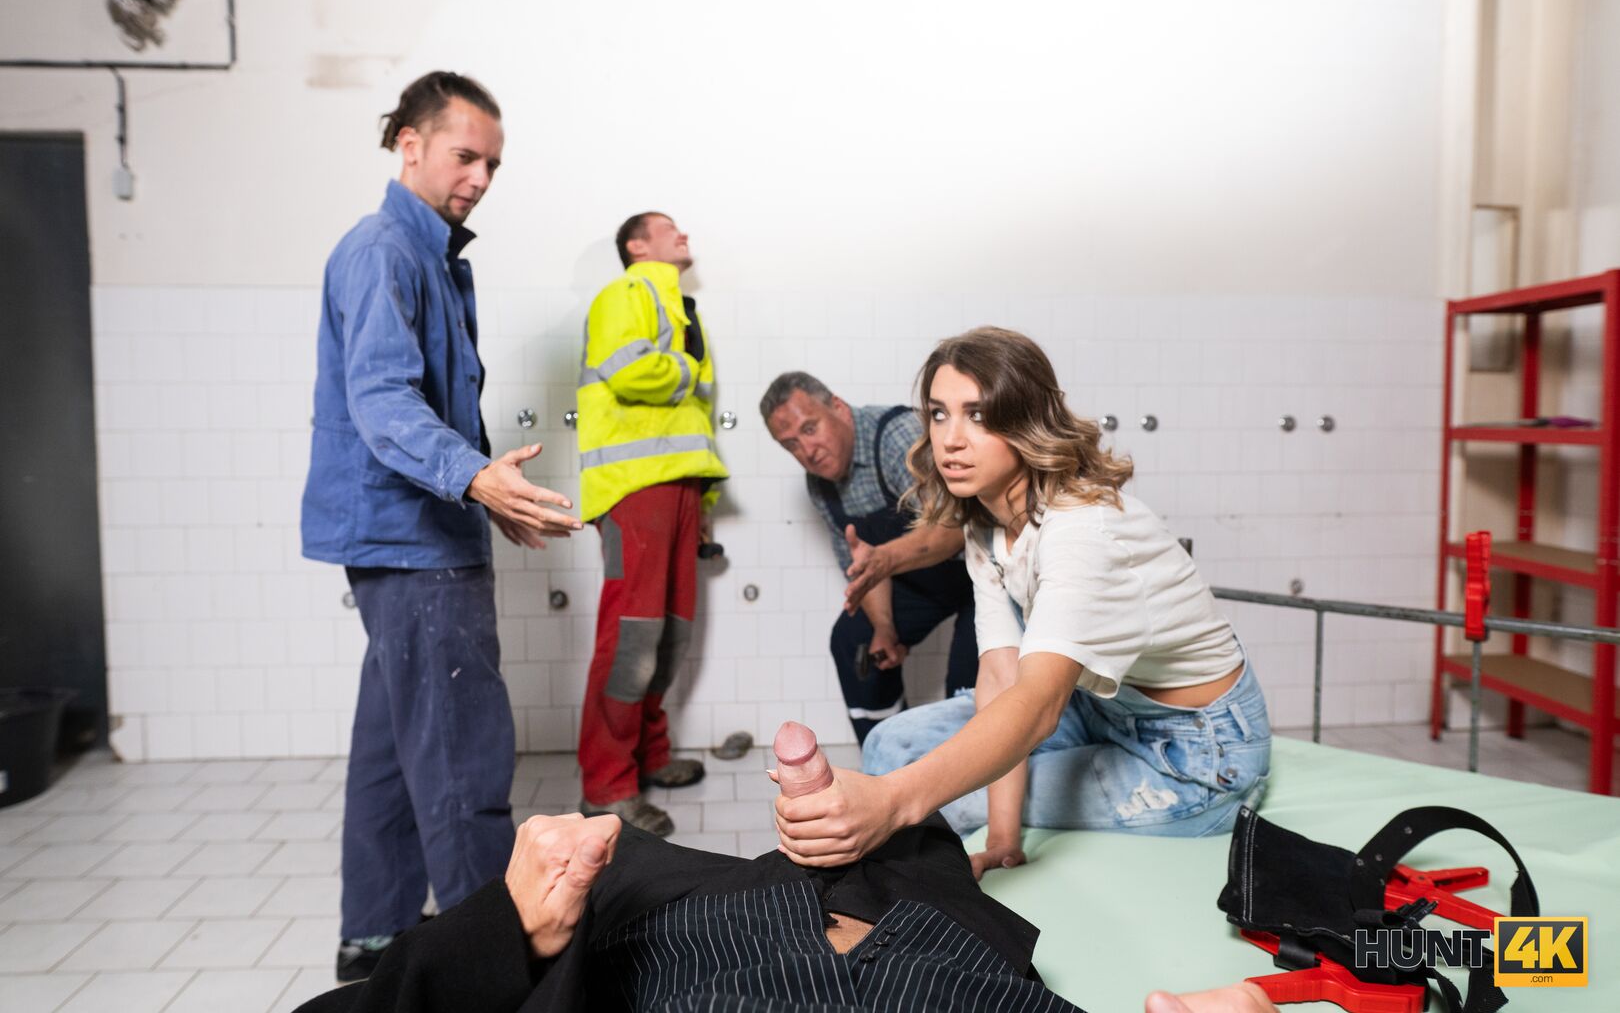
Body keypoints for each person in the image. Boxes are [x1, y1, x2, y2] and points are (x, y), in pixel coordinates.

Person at [774, 327, 1271, 879]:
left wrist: (892, 803)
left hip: (1195, 754)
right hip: (1101, 709)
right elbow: (1001, 678)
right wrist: (1003, 841)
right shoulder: (987, 523)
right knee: (892, 743)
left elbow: (1035, 707)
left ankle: (906, 914)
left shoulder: (1083, 532)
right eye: (939, 414)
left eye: (978, 415)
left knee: (937, 803)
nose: (950, 440)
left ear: (1028, 420)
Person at [301, 71, 583, 982]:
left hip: (411, 534)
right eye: (466, 156)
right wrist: (475, 479)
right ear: (409, 144)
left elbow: (438, 406)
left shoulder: (431, 255)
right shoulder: (386, 251)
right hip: (412, 542)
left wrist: (486, 491)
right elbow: (383, 399)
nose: (481, 178)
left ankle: (376, 937)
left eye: (493, 164)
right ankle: (487, 961)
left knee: (392, 746)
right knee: (463, 753)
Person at [295, 811, 1282, 1012]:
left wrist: (511, 931)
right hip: (912, 949)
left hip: (667, 935)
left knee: (900, 833)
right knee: (906, 839)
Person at [574, 212, 729, 836]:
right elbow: (630, 370)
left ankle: (648, 757)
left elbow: (696, 417)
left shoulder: (682, 311)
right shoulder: (626, 293)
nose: (682, 233)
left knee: (669, 636)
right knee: (631, 639)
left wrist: (705, 504)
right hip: (634, 487)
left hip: (681, 485)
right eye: (668, 228)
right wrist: (688, 371)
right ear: (637, 246)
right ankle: (607, 787)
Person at [761, 372, 978, 742]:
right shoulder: (821, 486)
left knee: (967, 688)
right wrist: (885, 629)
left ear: (839, 408)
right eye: (791, 444)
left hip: (981, 572)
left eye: (810, 429)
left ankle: (966, 771)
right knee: (855, 640)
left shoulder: (897, 437)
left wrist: (885, 559)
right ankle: (891, 760)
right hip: (922, 578)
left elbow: (953, 528)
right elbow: (864, 567)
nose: (807, 451)